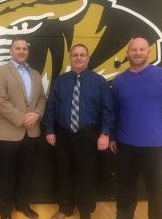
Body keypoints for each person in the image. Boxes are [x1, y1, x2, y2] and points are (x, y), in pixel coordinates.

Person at [44, 44, 114, 219]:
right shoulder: (60, 81)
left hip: (89, 135)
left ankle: (85, 210)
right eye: (75, 55)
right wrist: (50, 130)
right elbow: (51, 107)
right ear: (70, 58)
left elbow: (108, 110)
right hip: (64, 134)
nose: (79, 58)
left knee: (87, 174)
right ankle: (65, 208)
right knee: (64, 173)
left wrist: (105, 133)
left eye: (82, 55)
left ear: (88, 58)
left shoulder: (99, 82)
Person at [110, 37, 162, 219]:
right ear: (127, 53)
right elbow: (115, 111)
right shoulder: (120, 80)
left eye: (141, 49)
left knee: (156, 193)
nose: (137, 53)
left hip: (154, 147)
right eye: (134, 50)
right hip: (125, 146)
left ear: (149, 52)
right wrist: (113, 136)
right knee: (125, 190)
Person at [0, 37, 46, 219]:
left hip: (31, 133)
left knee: (26, 173)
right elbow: (0, 102)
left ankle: (23, 205)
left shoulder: (36, 74)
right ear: (11, 51)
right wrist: (23, 119)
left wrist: (37, 114)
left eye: (24, 48)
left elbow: (41, 99)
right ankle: (5, 211)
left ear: (28, 51)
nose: (21, 51)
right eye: (17, 48)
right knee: (5, 175)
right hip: (7, 133)